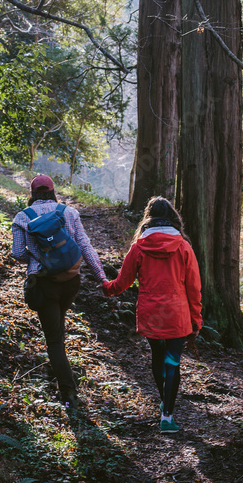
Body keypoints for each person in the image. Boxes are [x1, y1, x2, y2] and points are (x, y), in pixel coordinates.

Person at [102, 196, 203, 434]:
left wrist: (106, 288)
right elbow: (194, 287)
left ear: (148, 217)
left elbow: (123, 282)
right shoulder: (184, 247)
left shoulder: (138, 247)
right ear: (171, 218)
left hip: (151, 313)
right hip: (177, 314)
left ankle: (163, 402)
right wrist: (196, 319)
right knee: (172, 362)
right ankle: (167, 414)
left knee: (157, 358)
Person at [11, 174, 106, 410]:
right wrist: (101, 277)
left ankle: (68, 392)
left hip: (44, 284)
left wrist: (37, 255)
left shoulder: (22, 217)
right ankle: (63, 374)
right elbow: (85, 246)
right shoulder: (69, 213)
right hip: (71, 282)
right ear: (53, 191)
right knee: (58, 328)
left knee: (54, 340)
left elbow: (18, 253)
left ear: (32, 193)